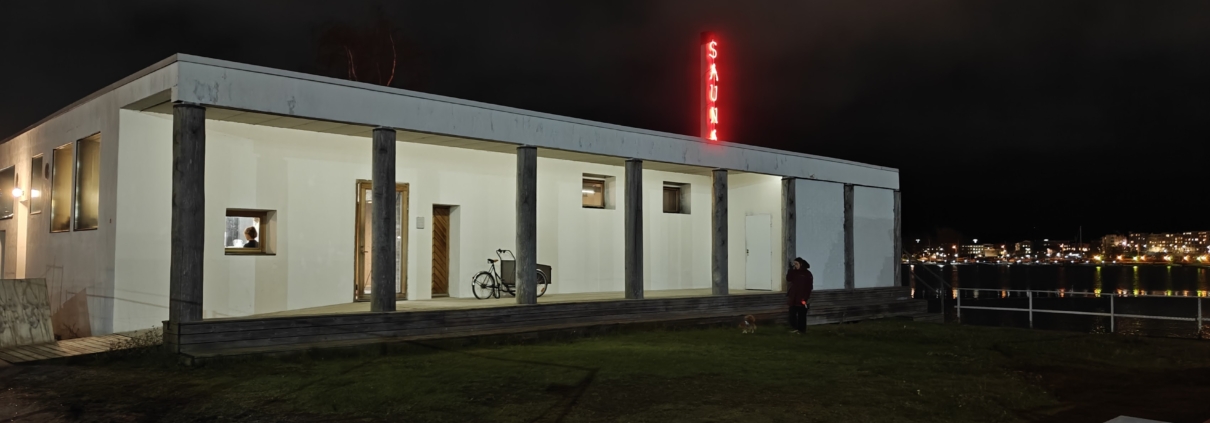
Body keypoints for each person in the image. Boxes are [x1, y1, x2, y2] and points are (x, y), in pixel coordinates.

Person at [785, 257, 813, 334]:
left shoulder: (807, 274)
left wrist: (805, 298)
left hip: (802, 297)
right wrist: (790, 270)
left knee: (802, 315)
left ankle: (801, 330)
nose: (795, 266)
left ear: (801, 264)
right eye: (794, 264)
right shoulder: (794, 272)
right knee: (792, 314)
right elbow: (788, 279)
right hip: (793, 297)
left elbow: (809, 287)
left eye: (796, 264)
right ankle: (795, 328)